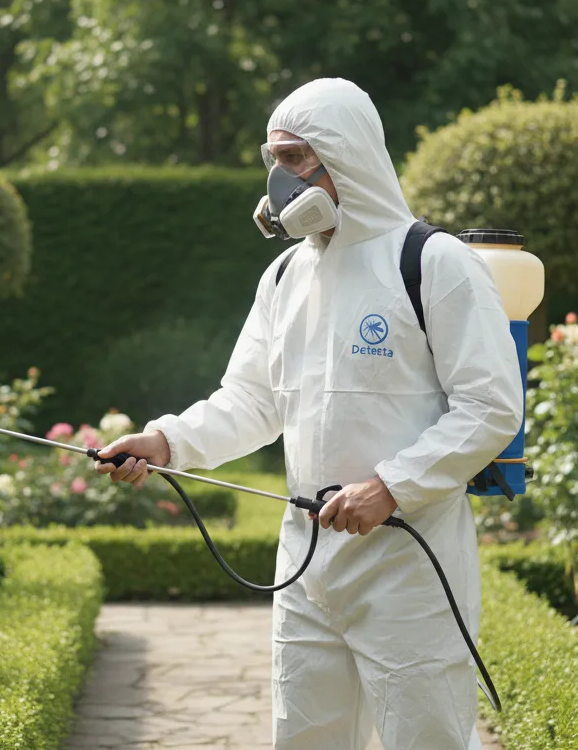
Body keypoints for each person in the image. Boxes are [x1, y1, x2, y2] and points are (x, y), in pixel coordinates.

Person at [93, 77, 525, 750]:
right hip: (307, 565)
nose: (279, 178)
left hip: (408, 567)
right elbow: (252, 399)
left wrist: (390, 488)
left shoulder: (433, 262)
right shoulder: (285, 277)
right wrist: (164, 441)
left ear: (343, 156)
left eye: (294, 159)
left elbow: (491, 406)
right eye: (274, 159)